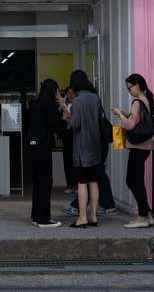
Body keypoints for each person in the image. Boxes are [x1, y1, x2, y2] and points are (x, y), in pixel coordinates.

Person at [110, 74, 154, 228]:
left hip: (138, 147)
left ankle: (143, 216)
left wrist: (118, 115)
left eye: (129, 87)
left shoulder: (137, 102)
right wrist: (126, 115)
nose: (129, 90)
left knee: (132, 180)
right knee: (137, 181)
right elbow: (137, 122)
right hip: (145, 146)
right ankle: (147, 214)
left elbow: (130, 126)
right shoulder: (146, 100)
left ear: (137, 86)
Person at [26, 78, 68, 228]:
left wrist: (60, 106)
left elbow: (46, 120)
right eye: (57, 90)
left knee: (38, 182)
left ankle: (36, 216)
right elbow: (58, 129)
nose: (58, 93)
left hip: (31, 146)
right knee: (45, 182)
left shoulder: (36, 105)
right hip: (42, 147)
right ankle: (44, 219)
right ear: (52, 91)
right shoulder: (49, 106)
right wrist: (64, 117)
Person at [64, 70, 103, 228]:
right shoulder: (95, 98)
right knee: (93, 181)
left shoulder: (78, 101)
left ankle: (82, 217)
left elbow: (75, 125)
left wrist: (68, 112)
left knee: (82, 183)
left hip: (82, 148)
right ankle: (93, 215)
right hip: (95, 145)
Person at [62, 87, 77, 194]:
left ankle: (77, 184)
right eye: (68, 93)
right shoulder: (63, 106)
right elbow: (62, 120)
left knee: (76, 159)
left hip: (76, 134)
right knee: (67, 160)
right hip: (66, 135)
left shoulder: (78, 105)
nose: (71, 95)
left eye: (73, 93)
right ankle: (70, 184)